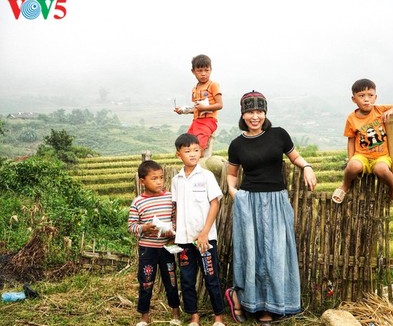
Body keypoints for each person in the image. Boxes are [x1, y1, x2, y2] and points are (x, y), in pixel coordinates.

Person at [225, 91, 317, 325]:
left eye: (259, 111)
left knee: (276, 253)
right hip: (250, 203)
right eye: (250, 112)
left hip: (276, 201)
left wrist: (306, 166)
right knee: (252, 253)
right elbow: (232, 174)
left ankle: (272, 304)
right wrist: (234, 192)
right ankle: (247, 300)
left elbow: (295, 157)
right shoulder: (237, 144)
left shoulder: (279, 135)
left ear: (265, 113)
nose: (254, 116)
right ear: (243, 114)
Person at [331, 78, 393, 214]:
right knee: (353, 166)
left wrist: (392, 110)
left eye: (370, 95)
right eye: (361, 96)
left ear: (375, 97)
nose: (366, 99)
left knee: (381, 170)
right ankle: (345, 185)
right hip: (361, 156)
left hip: (381, 157)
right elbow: (351, 140)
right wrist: (351, 159)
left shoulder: (380, 110)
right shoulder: (351, 118)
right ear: (353, 99)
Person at [171, 133, 226, 326]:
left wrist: (204, 233)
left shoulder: (206, 176)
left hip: (205, 239)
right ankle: (194, 317)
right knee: (186, 279)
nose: (193, 154)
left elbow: (215, 204)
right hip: (184, 240)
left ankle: (218, 317)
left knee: (211, 277)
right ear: (179, 154)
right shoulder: (177, 179)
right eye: (187, 151)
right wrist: (173, 231)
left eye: (196, 150)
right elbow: (176, 207)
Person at [128, 160, 181, 326]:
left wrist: (171, 229)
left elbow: (176, 219)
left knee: (171, 281)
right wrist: (144, 227)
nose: (159, 182)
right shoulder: (138, 202)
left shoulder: (170, 198)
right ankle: (144, 317)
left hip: (166, 248)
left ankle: (175, 314)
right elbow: (131, 226)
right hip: (147, 249)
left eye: (161, 178)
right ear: (142, 181)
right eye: (154, 178)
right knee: (146, 281)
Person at [174, 54, 223, 157]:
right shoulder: (195, 88)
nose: (203, 74)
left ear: (211, 70)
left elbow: (219, 105)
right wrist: (183, 111)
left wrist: (204, 108)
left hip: (208, 121)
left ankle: (198, 163)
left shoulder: (213, 85)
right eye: (200, 71)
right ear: (193, 71)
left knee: (199, 145)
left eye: (206, 70)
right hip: (196, 121)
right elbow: (196, 109)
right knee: (187, 143)